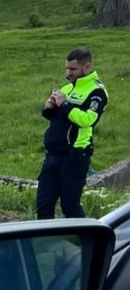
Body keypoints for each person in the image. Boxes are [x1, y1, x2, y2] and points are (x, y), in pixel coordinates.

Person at [37, 47, 109, 220]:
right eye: (67, 68)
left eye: (73, 69)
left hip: (74, 157)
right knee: (43, 206)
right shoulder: (68, 88)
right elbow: (58, 119)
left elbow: (87, 120)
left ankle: (85, 243)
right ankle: (46, 244)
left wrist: (65, 105)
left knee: (70, 207)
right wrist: (49, 108)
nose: (68, 73)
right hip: (52, 156)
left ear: (87, 67)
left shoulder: (97, 92)